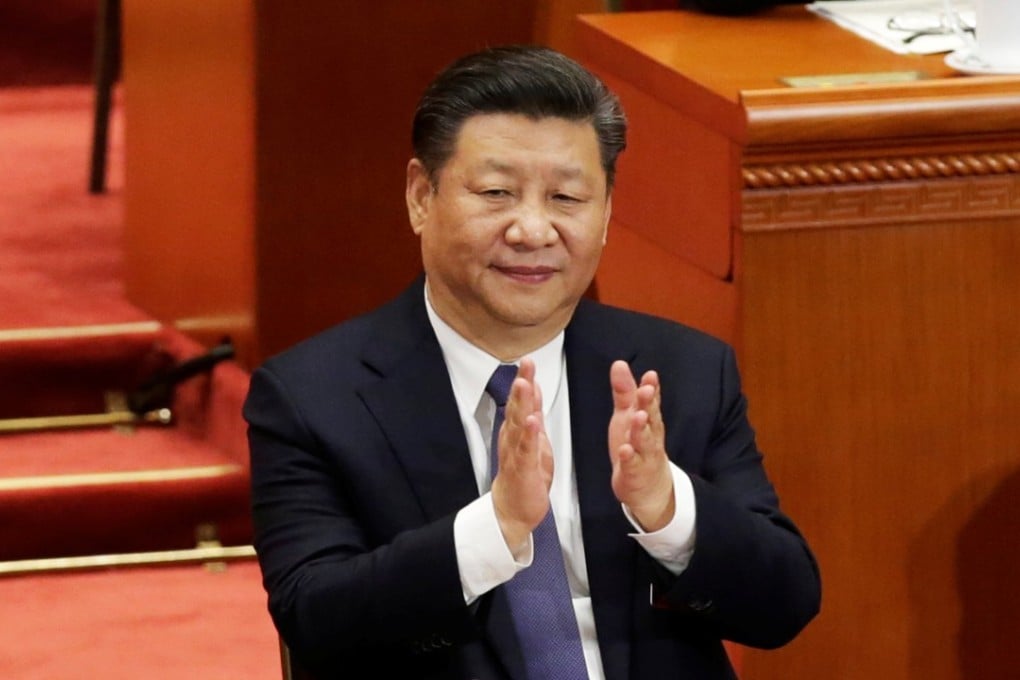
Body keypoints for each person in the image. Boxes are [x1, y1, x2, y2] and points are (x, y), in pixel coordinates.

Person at [244, 45, 820, 680]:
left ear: (606, 213)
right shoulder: (313, 397)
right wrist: (495, 529)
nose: (533, 230)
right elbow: (316, 620)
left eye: (567, 199)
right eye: (497, 192)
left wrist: (669, 509)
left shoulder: (680, 370)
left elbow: (785, 606)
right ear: (419, 196)